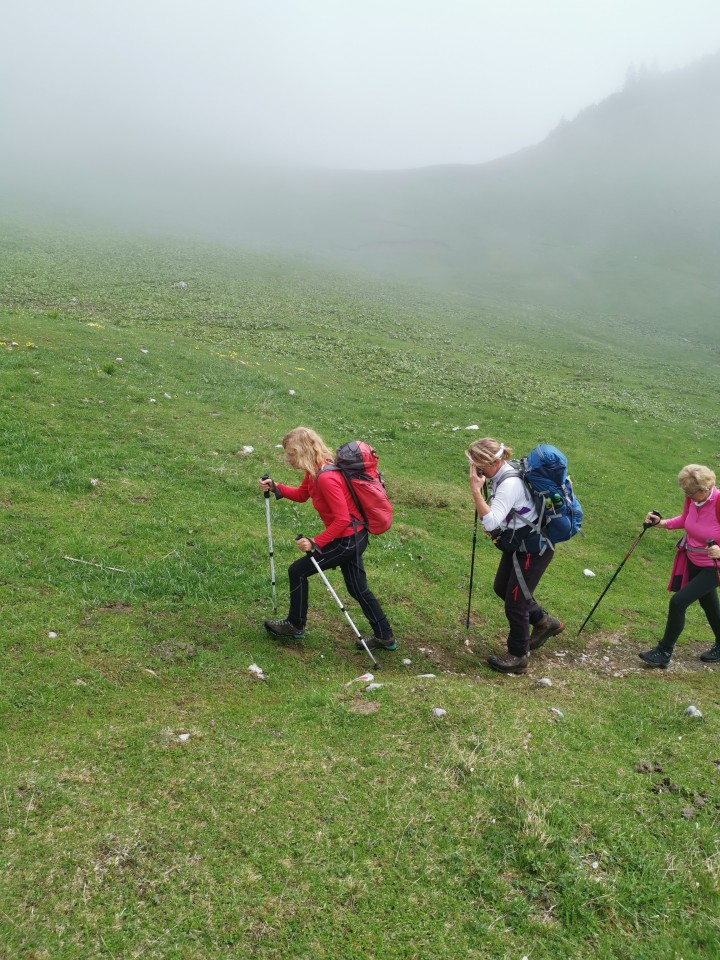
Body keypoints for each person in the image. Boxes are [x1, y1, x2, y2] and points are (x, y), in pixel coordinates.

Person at [258, 427, 395, 652]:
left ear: (303, 451)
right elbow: (303, 495)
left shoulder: (327, 477)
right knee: (358, 589)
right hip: (352, 536)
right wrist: (276, 487)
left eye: (291, 454)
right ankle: (385, 636)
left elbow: (342, 520)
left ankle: (295, 625)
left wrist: (316, 542)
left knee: (297, 571)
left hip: (347, 539)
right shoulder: (316, 470)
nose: (287, 459)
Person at [467, 437, 564, 674]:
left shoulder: (509, 484)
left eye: (479, 465)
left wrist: (475, 491)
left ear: (496, 461)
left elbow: (490, 522)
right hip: (519, 544)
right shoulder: (502, 475)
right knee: (502, 587)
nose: (475, 470)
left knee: (516, 603)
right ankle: (544, 622)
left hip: (533, 549)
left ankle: (518, 656)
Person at [639, 464, 720, 667]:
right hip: (692, 560)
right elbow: (685, 520)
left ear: (706, 488)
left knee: (678, 602)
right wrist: (661, 523)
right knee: (708, 603)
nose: (690, 498)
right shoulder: (692, 499)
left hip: (714, 566)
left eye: (693, 494)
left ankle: (664, 652)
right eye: (687, 494)